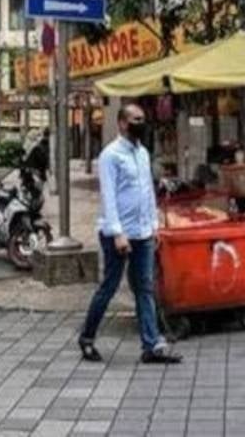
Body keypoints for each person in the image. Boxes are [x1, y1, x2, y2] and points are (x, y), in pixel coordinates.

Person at [78, 104, 181, 365]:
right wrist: (117, 233)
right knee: (109, 287)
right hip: (118, 234)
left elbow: (147, 193)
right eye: (136, 119)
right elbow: (109, 197)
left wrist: (154, 225)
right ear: (122, 123)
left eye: (143, 118)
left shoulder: (143, 153)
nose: (141, 123)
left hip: (143, 232)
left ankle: (152, 345)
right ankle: (87, 337)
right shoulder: (110, 155)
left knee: (145, 287)